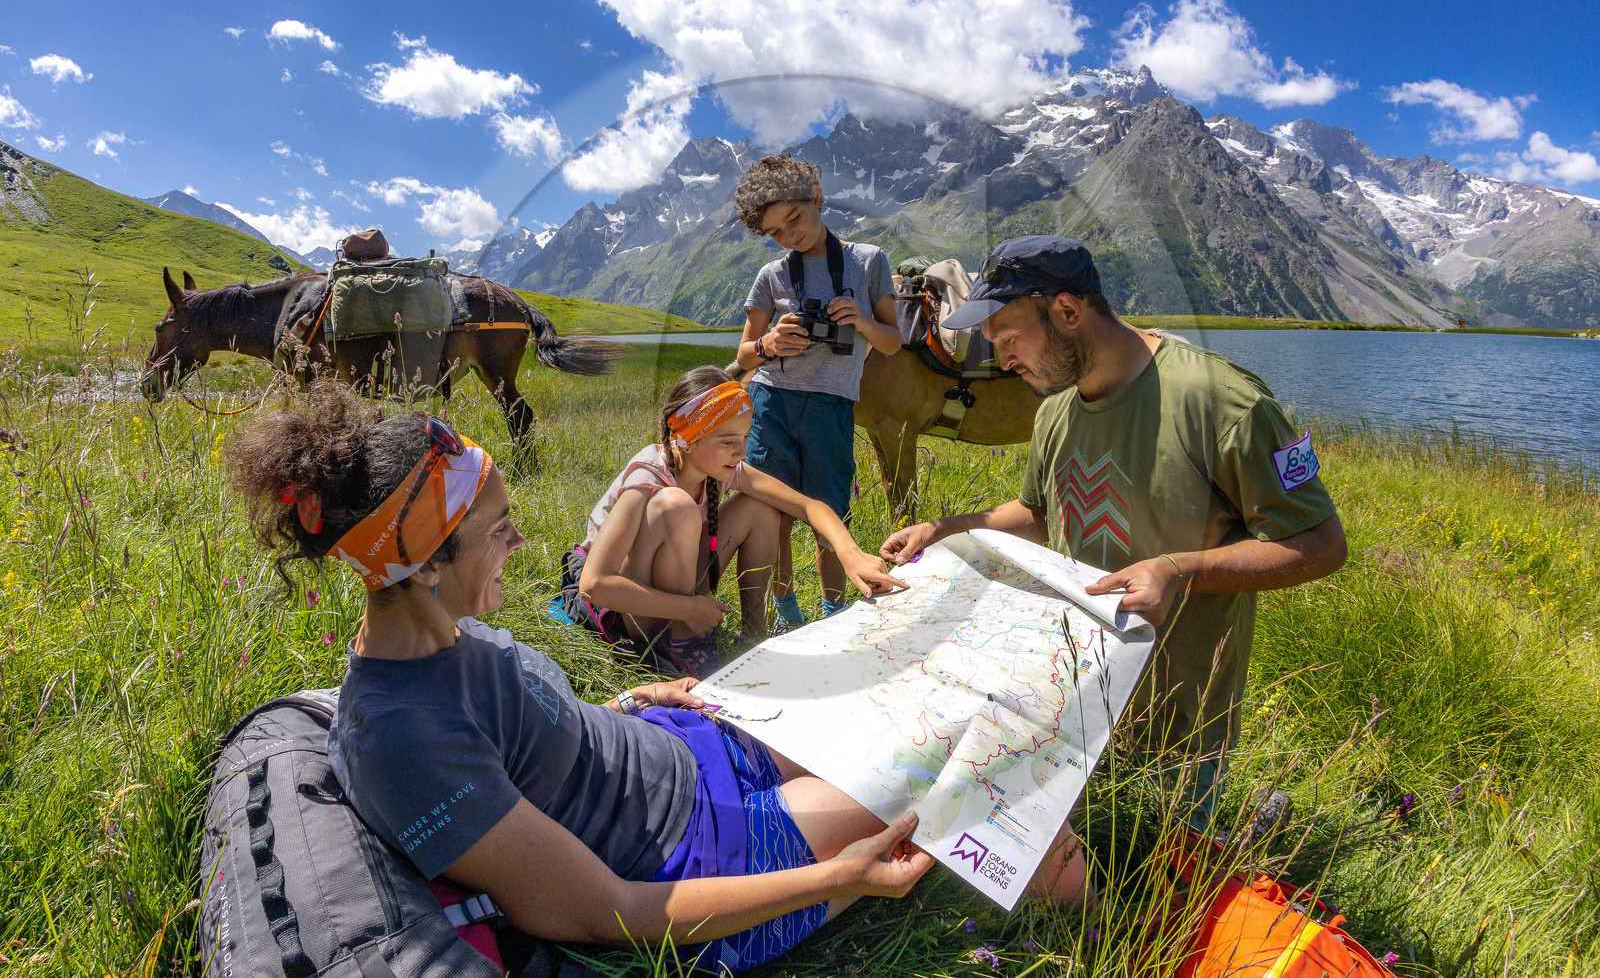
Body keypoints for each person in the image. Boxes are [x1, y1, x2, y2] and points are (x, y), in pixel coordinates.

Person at [226, 385, 1085, 973]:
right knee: (964, 761)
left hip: (681, 742)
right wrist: (841, 879)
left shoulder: (450, 625)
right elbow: (616, 911)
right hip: (702, 854)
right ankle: (1100, 927)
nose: (521, 546)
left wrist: (634, 697)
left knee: (919, 696)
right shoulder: (404, 741)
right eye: (497, 530)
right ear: (416, 565)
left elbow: (530, 735)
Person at [881, 235, 1348, 831]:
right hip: (1078, 692)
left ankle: (1250, 835)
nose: (1002, 361)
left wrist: (1179, 570)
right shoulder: (1054, 409)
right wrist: (945, 529)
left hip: (1184, 710)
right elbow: (1038, 513)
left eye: (1010, 339)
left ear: (1068, 313)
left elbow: (1320, 544)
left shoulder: (1225, 402)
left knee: (1171, 871)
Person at [562, 364, 905, 677]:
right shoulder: (646, 478)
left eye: (744, 438)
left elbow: (808, 506)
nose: (741, 452)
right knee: (677, 506)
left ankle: (752, 639)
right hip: (622, 608)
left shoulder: (718, 468)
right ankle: (680, 643)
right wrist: (689, 607)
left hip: (672, 595)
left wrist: (849, 553)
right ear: (683, 436)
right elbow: (594, 585)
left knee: (759, 508)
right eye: (728, 441)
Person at [734, 154, 900, 627]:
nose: (791, 236)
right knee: (774, 516)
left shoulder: (868, 261)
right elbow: (745, 353)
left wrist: (862, 321)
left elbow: (892, 342)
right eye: (777, 233)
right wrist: (767, 344)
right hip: (773, 401)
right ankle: (786, 613)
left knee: (830, 513)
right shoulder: (772, 275)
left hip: (831, 406)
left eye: (796, 219)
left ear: (818, 199)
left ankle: (834, 612)